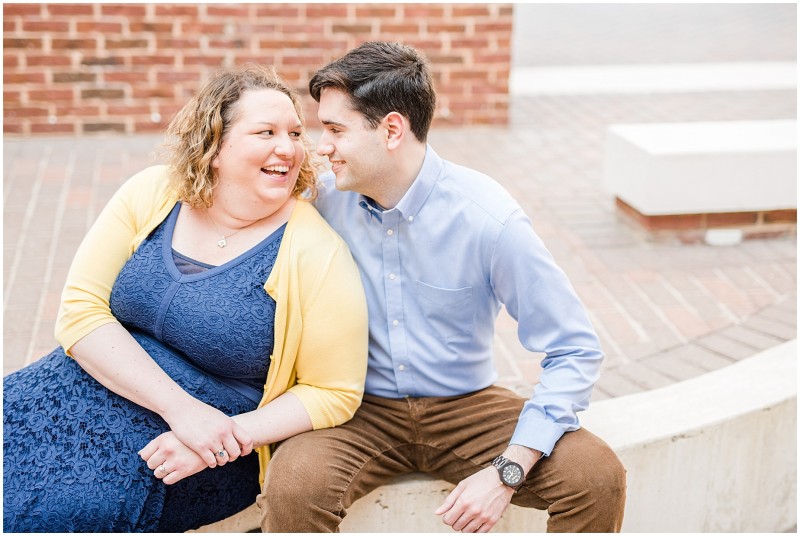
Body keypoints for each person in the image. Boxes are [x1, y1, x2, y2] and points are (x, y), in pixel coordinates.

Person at [258, 42, 626, 533]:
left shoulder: (489, 219)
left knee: (596, 478)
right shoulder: (321, 202)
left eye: (336, 130)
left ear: (391, 129)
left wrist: (508, 469)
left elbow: (574, 347)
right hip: (357, 409)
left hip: (468, 406)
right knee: (293, 488)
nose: (321, 146)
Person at [2, 65, 368, 532]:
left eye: (296, 133)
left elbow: (333, 392)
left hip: (192, 449)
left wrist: (222, 435)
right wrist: (181, 408)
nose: (290, 147)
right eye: (266, 131)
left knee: (55, 515)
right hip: (79, 386)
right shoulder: (153, 193)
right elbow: (80, 311)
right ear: (215, 145)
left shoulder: (315, 252)